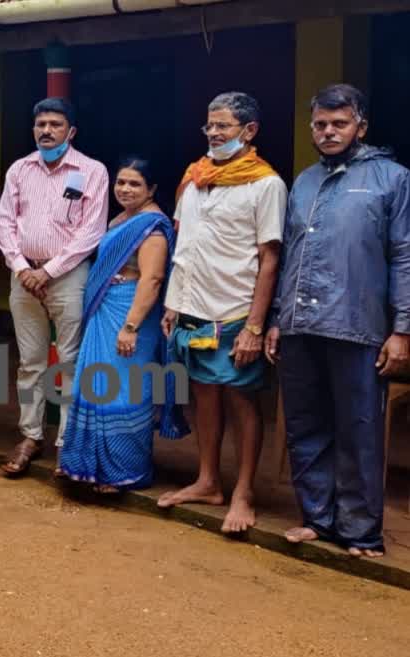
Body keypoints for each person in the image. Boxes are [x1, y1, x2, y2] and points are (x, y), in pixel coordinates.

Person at [270, 84, 410, 558]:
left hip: (357, 323)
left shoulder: (392, 179)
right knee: (305, 426)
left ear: (360, 127)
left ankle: (361, 532)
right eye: (320, 124)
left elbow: (404, 255)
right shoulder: (304, 181)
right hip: (299, 324)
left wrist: (402, 330)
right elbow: (290, 253)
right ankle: (319, 519)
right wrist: (277, 317)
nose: (328, 132)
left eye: (339, 124)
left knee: (359, 429)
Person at [157, 91, 285, 534]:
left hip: (235, 312)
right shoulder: (195, 178)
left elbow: (270, 258)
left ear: (249, 131)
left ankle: (243, 491)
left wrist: (255, 326)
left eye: (223, 126)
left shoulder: (265, 184)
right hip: (192, 308)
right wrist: (173, 302)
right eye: (209, 125)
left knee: (241, 399)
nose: (213, 133)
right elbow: (184, 245)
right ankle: (208, 481)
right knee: (203, 393)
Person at [0, 97, 110, 478]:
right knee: (30, 361)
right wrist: (21, 267)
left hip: (68, 276)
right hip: (23, 275)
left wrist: (48, 271)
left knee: (69, 361)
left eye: (55, 124)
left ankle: (65, 442)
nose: (46, 131)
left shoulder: (91, 171)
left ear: (70, 131)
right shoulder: (19, 169)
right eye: (41, 124)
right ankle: (30, 436)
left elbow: (91, 231)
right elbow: (5, 222)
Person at [56, 158, 186, 493]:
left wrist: (130, 327)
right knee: (95, 385)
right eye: (121, 182)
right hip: (105, 309)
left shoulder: (152, 226)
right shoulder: (122, 218)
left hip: (130, 313)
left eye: (134, 184)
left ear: (151, 189)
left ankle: (126, 470)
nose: (125, 189)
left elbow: (153, 278)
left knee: (124, 390)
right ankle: (87, 465)